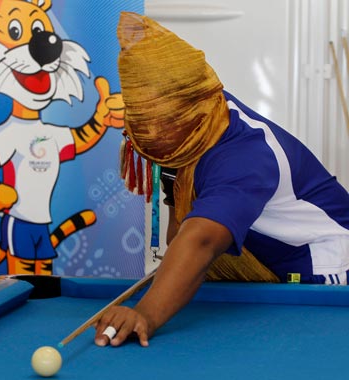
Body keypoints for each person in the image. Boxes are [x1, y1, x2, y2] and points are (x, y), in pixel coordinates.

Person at [94, 11, 349, 347]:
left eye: (163, 126)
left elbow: (200, 240)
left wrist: (146, 313)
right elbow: (181, 233)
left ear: (193, 106)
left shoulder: (245, 154)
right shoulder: (188, 130)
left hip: (326, 266)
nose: (154, 137)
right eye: (144, 128)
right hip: (272, 261)